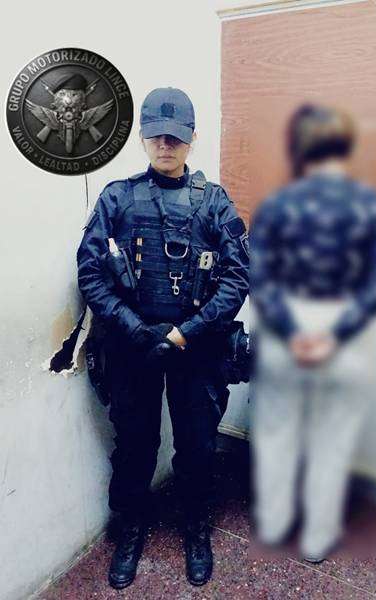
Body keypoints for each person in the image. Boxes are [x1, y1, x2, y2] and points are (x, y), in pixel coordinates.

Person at [76, 87, 249, 588]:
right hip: (133, 348)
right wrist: (135, 329)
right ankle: (131, 528)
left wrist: (185, 333)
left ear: (192, 138)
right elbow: (90, 273)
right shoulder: (117, 198)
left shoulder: (213, 202)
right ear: (143, 138)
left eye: (175, 137)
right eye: (156, 136)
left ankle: (196, 527)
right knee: (135, 445)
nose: (165, 145)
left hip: (196, 347)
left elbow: (238, 277)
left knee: (197, 447)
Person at [249, 104, 376, 562]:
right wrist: (336, 333)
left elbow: (259, 276)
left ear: (299, 150)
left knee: (276, 432)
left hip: (285, 330)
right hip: (347, 334)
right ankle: (318, 537)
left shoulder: (276, 206)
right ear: (346, 147)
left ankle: (274, 522)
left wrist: (293, 331)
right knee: (332, 442)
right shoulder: (372, 205)